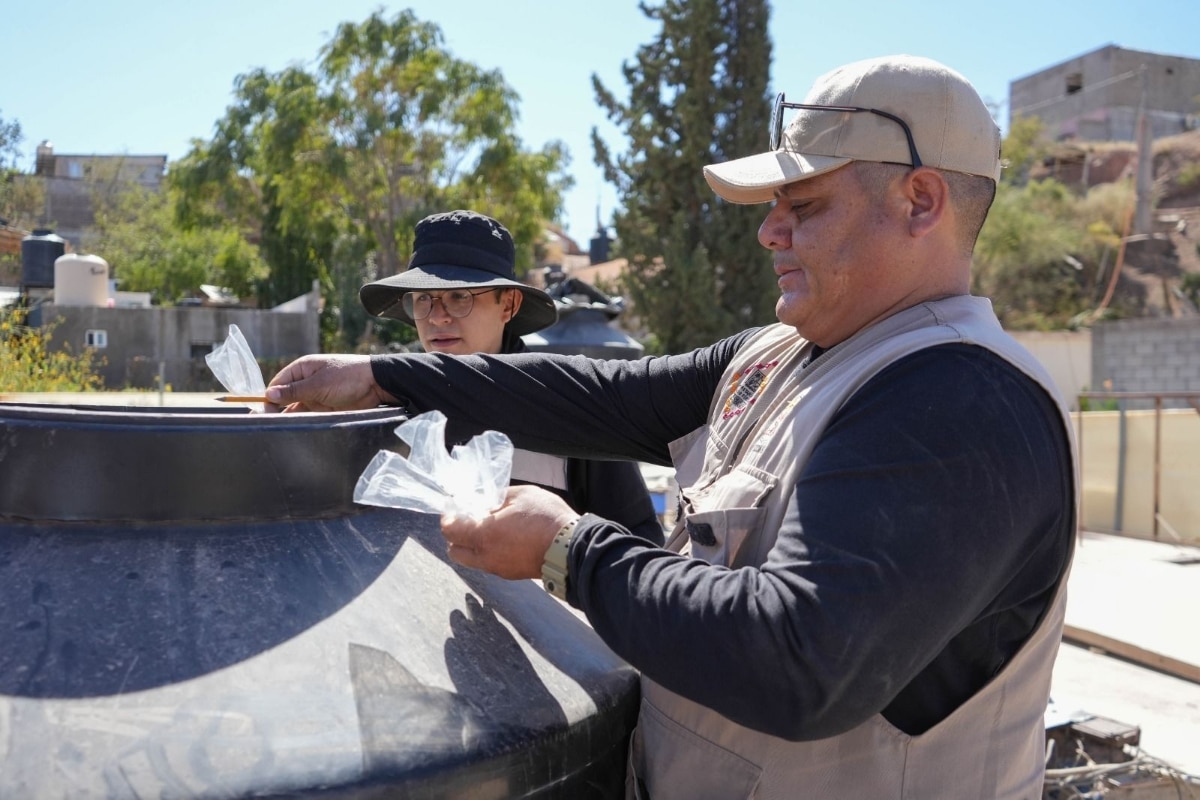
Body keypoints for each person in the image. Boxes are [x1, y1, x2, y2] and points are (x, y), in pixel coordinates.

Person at [266, 55, 1077, 799]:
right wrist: (381, 374)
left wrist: (567, 550)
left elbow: (798, 659)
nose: (770, 231)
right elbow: (605, 396)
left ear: (921, 201)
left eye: (804, 205)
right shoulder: (785, 352)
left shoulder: (960, 397)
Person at [358, 209, 663, 546]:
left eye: (459, 297)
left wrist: (557, 552)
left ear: (509, 305)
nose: (437, 318)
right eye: (423, 300)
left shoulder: (566, 404)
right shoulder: (389, 407)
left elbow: (640, 543)